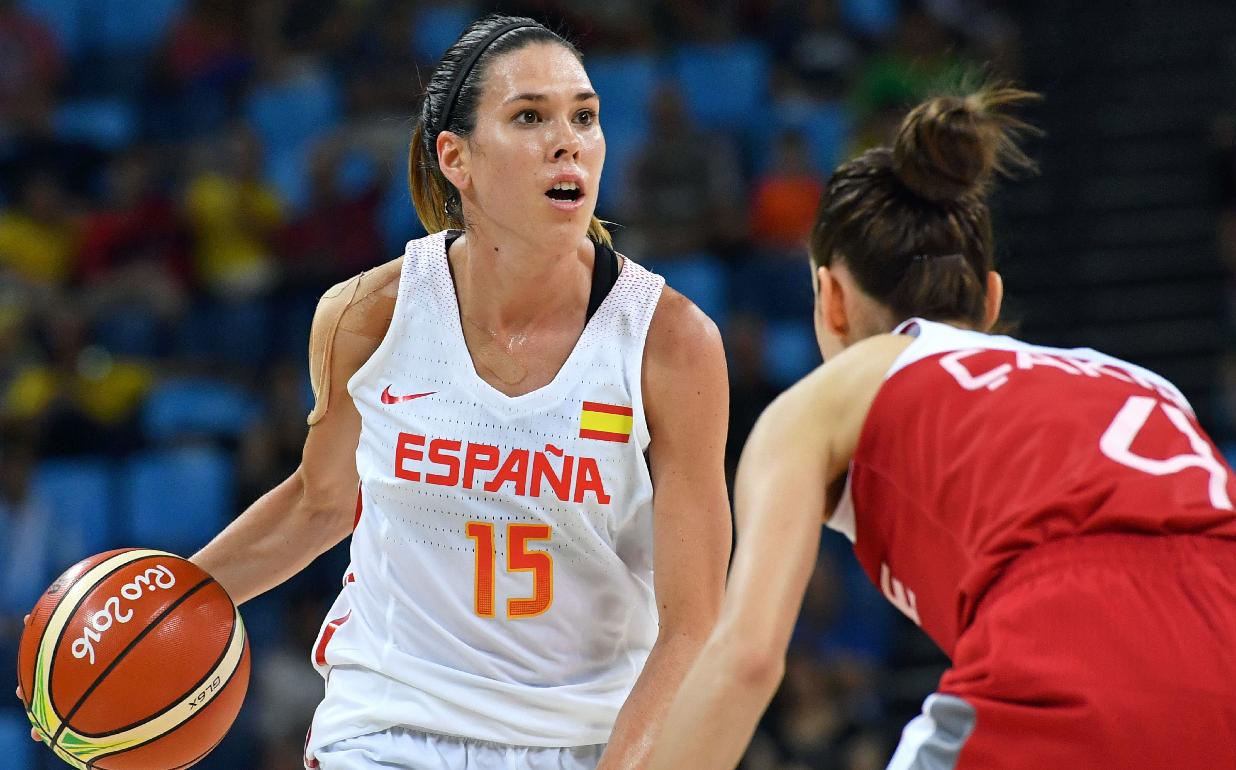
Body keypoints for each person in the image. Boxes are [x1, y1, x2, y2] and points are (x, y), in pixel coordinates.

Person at [17, 13, 732, 770]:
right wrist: (131, 634)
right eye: (530, 116)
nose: (569, 141)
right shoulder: (369, 315)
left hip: (584, 737)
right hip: (388, 726)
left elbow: (693, 621)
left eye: (584, 116)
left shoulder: (671, 342)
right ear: (456, 158)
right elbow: (319, 501)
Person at [648, 86, 1236, 770]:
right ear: (989, 299)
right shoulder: (1139, 381)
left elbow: (748, 658)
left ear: (831, 299)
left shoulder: (831, 394)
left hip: (1074, 638)